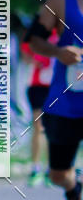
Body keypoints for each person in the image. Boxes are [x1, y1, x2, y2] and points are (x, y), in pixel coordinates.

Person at [28, 0, 83, 200]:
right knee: (57, 174)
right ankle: (73, 187)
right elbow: (33, 38)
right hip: (64, 104)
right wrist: (57, 52)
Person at [20, 32, 57, 185]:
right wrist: (34, 60)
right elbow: (25, 51)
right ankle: (35, 168)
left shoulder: (65, 31)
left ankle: (51, 169)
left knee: (54, 128)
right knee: (38, 125)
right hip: (37, 86)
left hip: (57, 86)